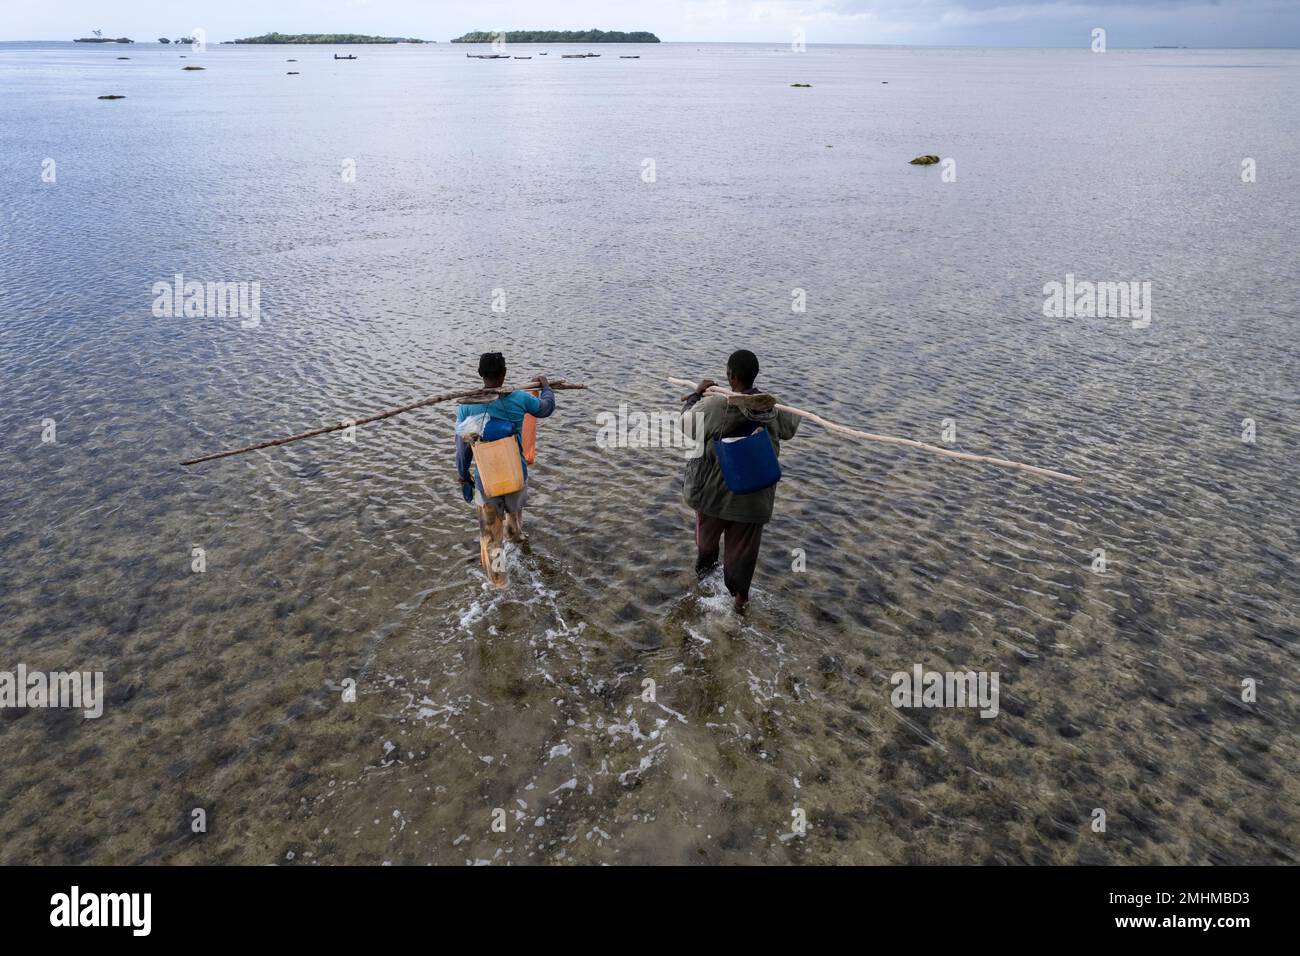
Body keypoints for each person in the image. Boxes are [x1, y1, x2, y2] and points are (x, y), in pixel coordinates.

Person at [682, 349, 799, 612]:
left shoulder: (715, 405)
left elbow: (686, 426)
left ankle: (703, 596)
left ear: (730, 375)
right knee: (742, 557)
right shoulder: (774, 406)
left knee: (706, 548)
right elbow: (791, 427)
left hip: (714, 496)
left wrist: (694, 396)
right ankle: (739, 603)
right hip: (754, 498)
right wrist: (773, 401)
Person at [456, 352, 555, 587]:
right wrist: (546, 386)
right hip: (515, 475)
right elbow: (546, 408)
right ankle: (517, 539)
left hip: (487, 481)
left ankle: (501, 584)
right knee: (514, 521)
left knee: (492, 539)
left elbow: (463, 449)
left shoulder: (467, 407)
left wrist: (463, 477)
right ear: (504, 374)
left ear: (481, 375)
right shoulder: (519, 398)